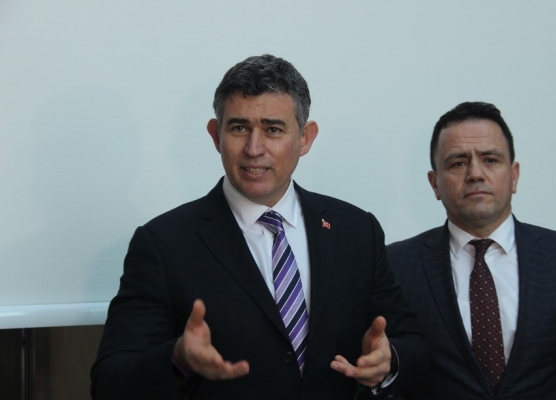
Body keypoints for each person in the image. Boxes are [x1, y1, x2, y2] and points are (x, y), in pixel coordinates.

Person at [91, 54, 427, 400]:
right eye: (239, 128)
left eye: (273, 129)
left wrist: (389, 361)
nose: (254, 149)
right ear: (215, 135)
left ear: (305, 138)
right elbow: (110, 383)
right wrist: (179, 360)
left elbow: (414, 346)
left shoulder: (355, 230)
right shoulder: (163, 244)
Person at [387, 102, 556, 399]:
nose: (475, 174)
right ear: (435, 183)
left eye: (490, 160)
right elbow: (386, 372)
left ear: (514, 175)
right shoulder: (397, 265)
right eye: (458, 163)